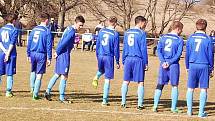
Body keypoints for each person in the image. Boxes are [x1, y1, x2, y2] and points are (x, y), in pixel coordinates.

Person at [44, 15, 85, 103]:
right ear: (75, 22)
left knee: (57, 74)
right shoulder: (72, 32)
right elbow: (63, 42)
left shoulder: (68, 28)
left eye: (82, 25)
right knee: (64, 76)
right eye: (80, 25)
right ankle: (61, 97)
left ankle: (47, 91)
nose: (80, 27)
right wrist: (57, 52)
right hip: (64, 54)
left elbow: (62, 41)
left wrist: (57, 52)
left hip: (61, 53)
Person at [152, 21, 184, 113]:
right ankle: (173, 108)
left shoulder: (163, 37)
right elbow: (178, 54)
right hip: (173, 64)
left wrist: (163, 61)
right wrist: (169, 62)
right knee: (174, 85)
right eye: (181, 30)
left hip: (163, 64)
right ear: (178, 29)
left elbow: (159, 50)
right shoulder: (179, 39)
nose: (181, 31)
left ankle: (155, 106)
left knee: (160, 84)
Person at [185, 19, 214, 117]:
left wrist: (187, 66)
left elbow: (187, 54)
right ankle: (201, 112)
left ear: (196, 26)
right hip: (204, 65)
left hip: (192, 64)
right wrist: (211, 68)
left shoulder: (191, 38)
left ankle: (189, 111)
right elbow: (211, 55)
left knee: (190, 88)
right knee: (203, 89)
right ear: (205, 27)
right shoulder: (208, 39)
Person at [121, 16, 148, 110]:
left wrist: (123, 60)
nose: (145, 25)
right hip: (138, 59)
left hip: (128, 58)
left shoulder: (127, 32)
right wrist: (146, 63)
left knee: (126, 81)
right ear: (140, 22)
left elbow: (124, 47)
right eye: (144, 23)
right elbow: (143, 49)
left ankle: (123, 102)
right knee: (140, 82)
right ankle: (140, 104)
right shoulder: (141, 33)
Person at [92, 16, 120, 106]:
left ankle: (96, 76)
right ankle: (104, 100)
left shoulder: (101, 31)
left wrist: (97, 55)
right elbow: (116, 49)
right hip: (108, 56)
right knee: (107, 79)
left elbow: (98, 44)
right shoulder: (115, 34)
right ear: (115, 23)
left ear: (108, 22)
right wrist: (117, 61)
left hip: (100, 55)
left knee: (102, 70)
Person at [27, 13, 52, 100]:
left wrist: (28, 54)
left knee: (33, 71)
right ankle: (35, 94)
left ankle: (32, 88)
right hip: (41, 54)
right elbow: (49, 46)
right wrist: (49, 58)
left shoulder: (34, 29)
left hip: (33, 53)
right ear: (47, 20)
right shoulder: (47, 31)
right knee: (39, 75)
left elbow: (29, 42)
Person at [0, 13, 18, 97]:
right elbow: (12, 43)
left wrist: (4, 51)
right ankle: (8, 91)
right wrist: (7, 53)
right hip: (10, 54)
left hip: (1, 52)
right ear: (13, 20)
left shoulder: (2, 29)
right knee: (10, 73)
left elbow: (0, 42)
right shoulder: (14, 30)